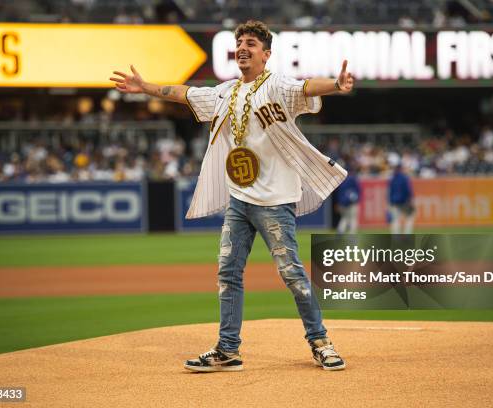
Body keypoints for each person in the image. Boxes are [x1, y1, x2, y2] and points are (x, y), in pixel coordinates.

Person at [110, 20, 353, 372]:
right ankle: (228, 349)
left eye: (251, 43)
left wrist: (335, 85)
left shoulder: (279, 86)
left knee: (292, 274)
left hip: (275, 201)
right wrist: (145, 86)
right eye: (240, 42)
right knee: (228, 272)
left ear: (266, 54)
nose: (242, 47)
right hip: (239, 200)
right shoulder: (225, 92)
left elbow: (306, 87)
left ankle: (321, 342)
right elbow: (184, 93)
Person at [388, 160, 415, 234]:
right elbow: (408, 190)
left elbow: (390, 192)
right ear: (401, 169)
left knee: (395, 220)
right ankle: (407, 235)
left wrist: (389, 202)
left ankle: (395, 237)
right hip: (404, 202)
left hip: (394, 202)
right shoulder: (404, 178)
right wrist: (411, 200)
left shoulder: (392, 179)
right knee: (409, 218)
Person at [334, 162, 361, 233]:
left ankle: (340, 232)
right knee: (353, 219)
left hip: (343, 202)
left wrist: (338, 203)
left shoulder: (341, 179)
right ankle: (351, 234)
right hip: (352, 202)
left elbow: (338, 193)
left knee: (344, 218)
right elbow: (358, 190)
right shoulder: (353, 178)